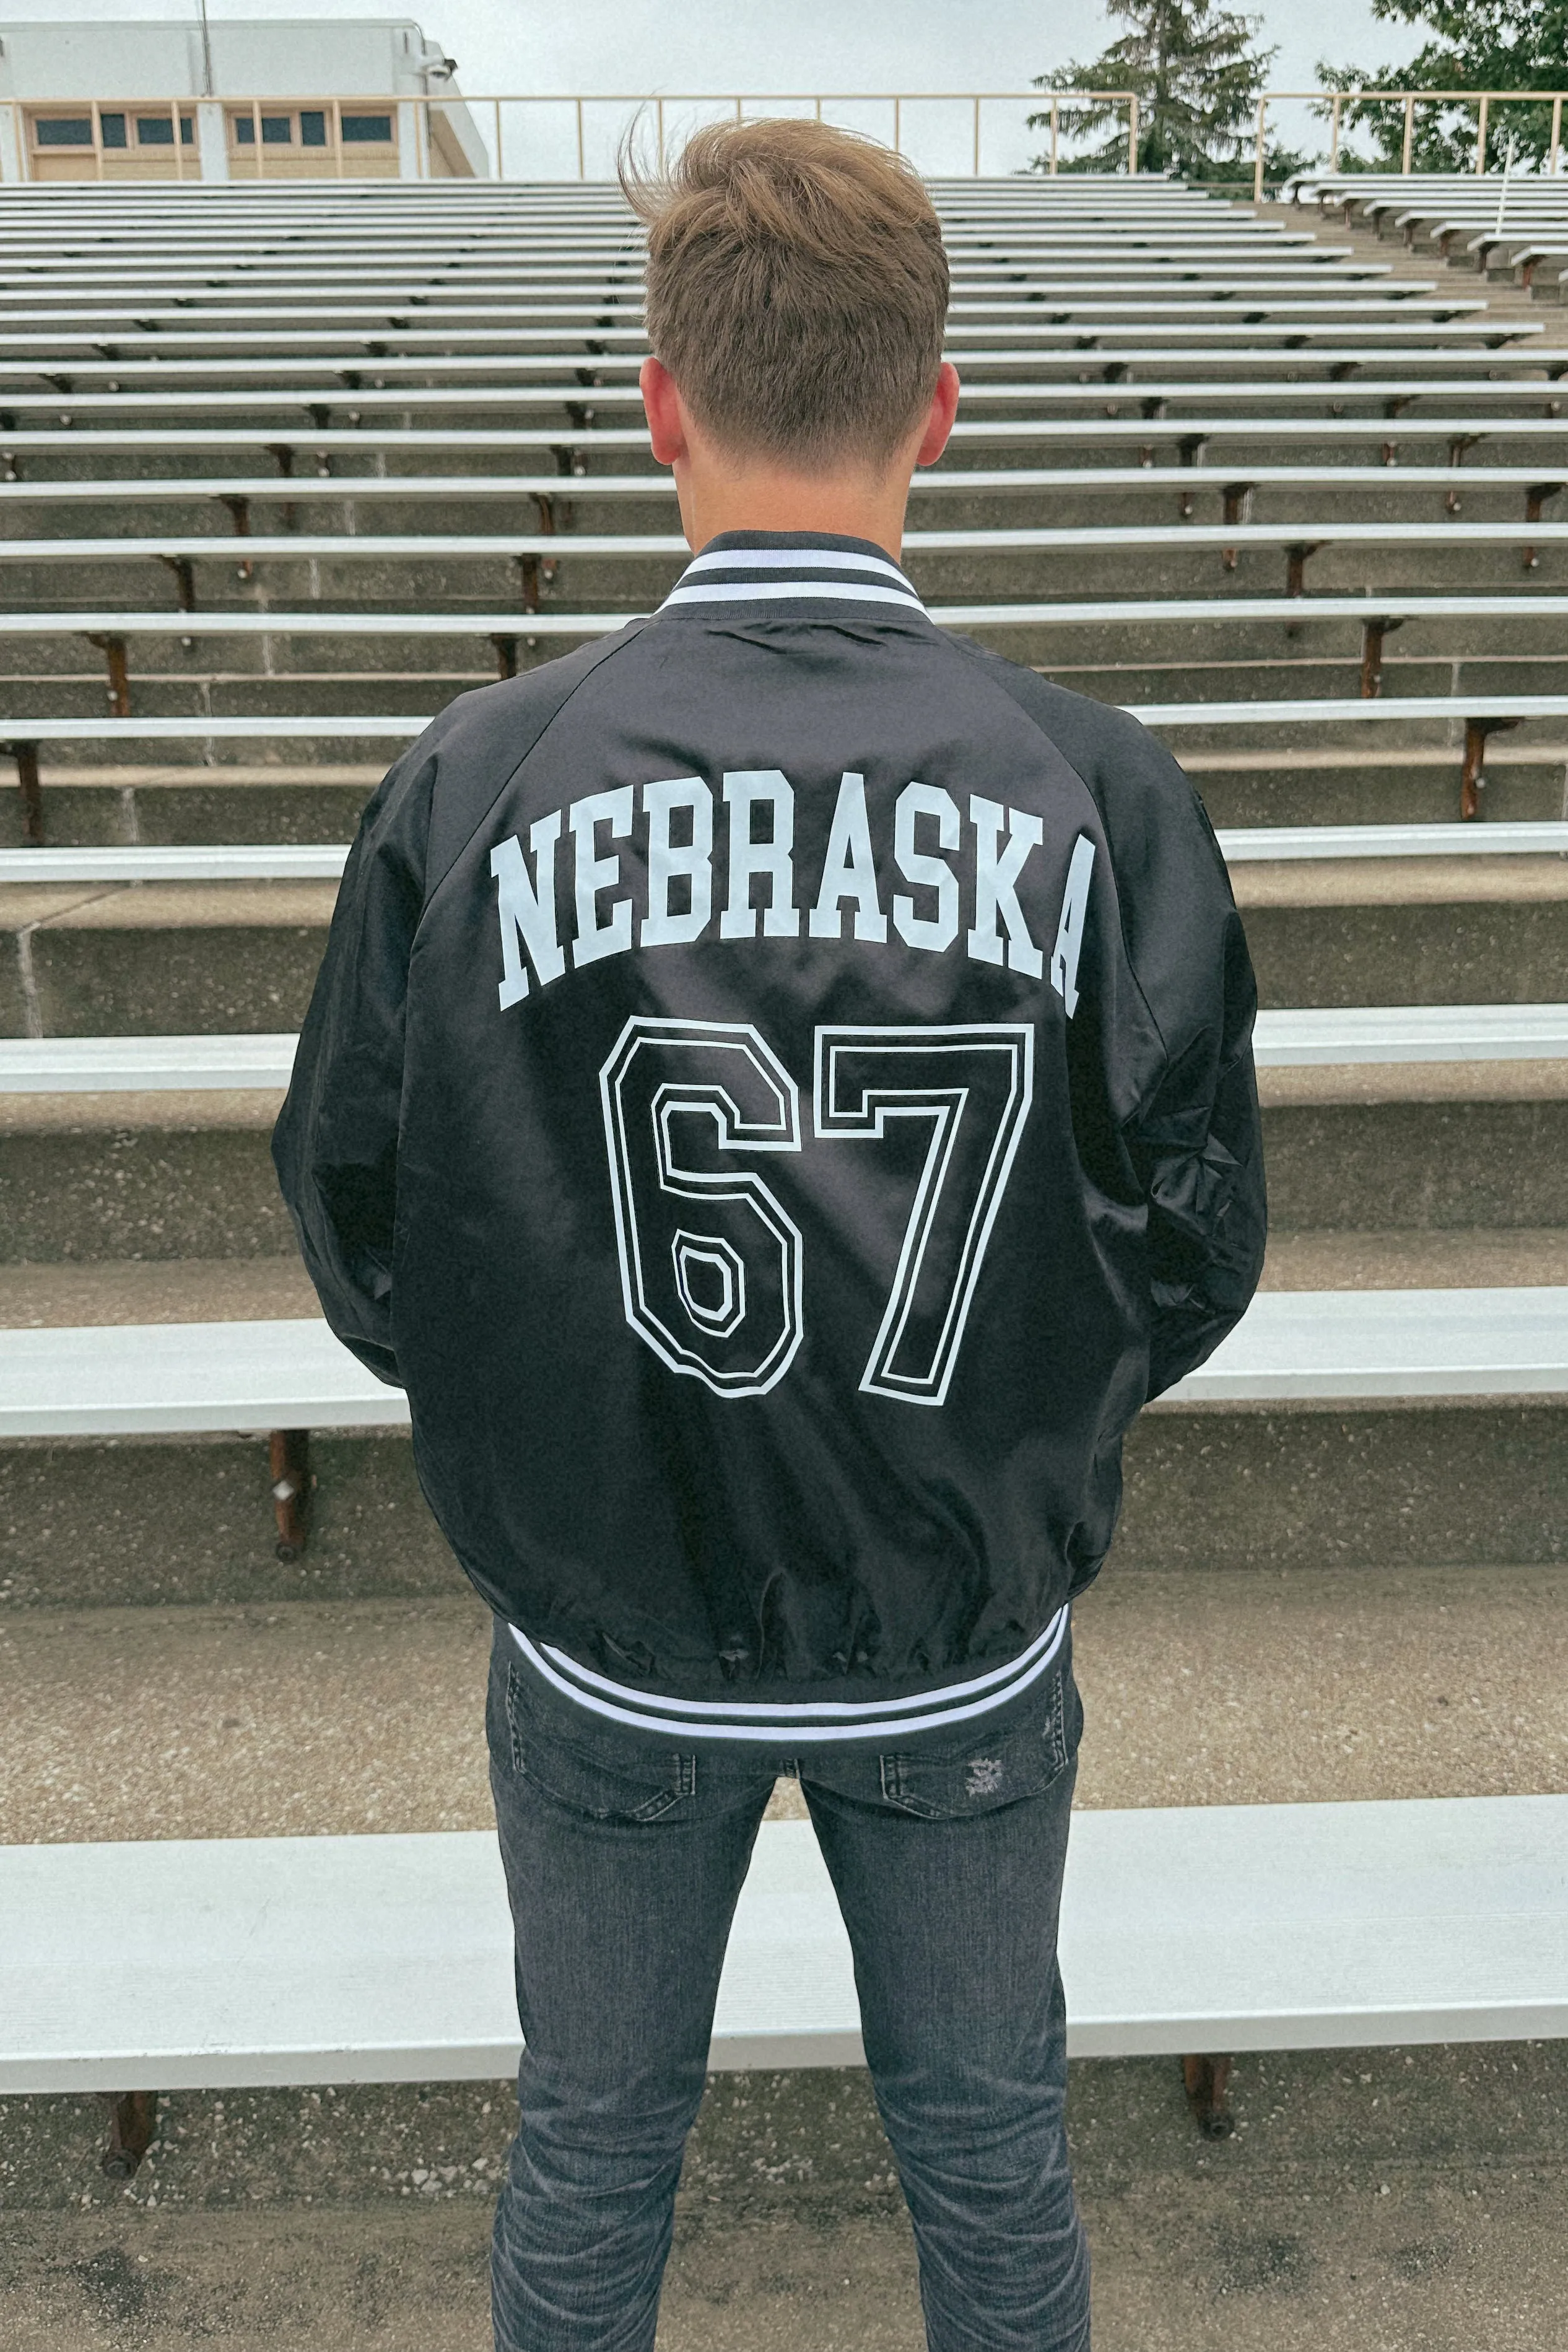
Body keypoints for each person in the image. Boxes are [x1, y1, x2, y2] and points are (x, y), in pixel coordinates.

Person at [274, 117, 1266, 2352]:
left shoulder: (479, 777)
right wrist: (1007, 1422)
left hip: (611, 1630)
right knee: (990, 2151)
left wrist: (555, 1430)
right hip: (959, 1641)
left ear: (657, 399)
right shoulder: (1092, 785)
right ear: (935, 406)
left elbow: (359, 1216)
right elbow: (1194, 1237)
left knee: (597, 2145)